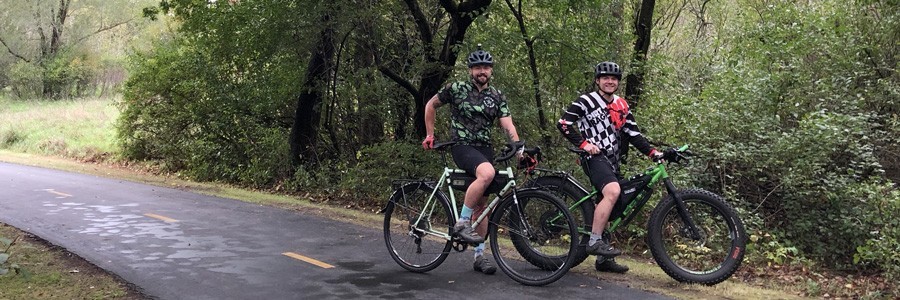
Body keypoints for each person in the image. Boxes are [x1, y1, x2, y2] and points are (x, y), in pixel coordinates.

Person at [422, 44, 523, 275]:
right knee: (487, 174)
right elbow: (431, 105)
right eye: (477, 67)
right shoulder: (456, 88)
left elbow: (508, 125)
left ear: (491, 71)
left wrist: (519, 150)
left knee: (483, 207)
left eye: (486, 67)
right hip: (462, 147)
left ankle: (479, 256)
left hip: (484, 149)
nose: (482, 71)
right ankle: (462, 223)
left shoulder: (497, 96)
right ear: (470, 70)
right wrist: (430, 134)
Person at [556, 61, 663, 274]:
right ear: (597, 80)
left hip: (612, 161)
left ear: (618, 82)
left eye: (613, 78)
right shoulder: (586, 101)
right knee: (613, 191)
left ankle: (603, 260)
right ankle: (594, 241)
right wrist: (585, 144)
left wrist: (653, 152)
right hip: (593, 159)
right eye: (605, 78)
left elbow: (633, 134)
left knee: (612, 204)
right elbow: (563, 124)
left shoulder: (622, 105)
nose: (609, 81)